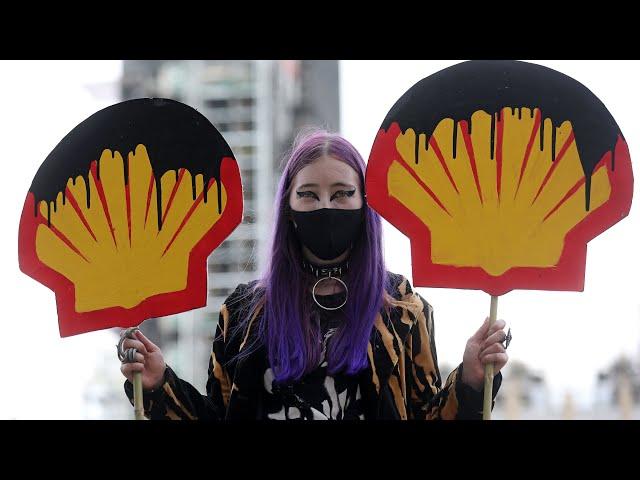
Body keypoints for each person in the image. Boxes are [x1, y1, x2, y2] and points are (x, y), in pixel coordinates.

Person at [119, 129, 509, 420]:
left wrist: (472, 380)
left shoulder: (404, 310)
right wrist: (157, 384)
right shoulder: (242, 313)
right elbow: (217, 416)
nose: (326, 205)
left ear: (364, 202)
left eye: (342, 193)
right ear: (287, 207)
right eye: (308, 194)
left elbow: (429, 414)